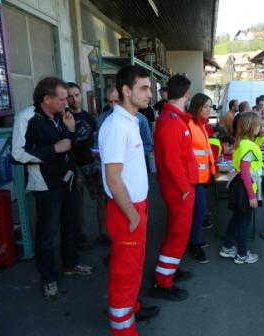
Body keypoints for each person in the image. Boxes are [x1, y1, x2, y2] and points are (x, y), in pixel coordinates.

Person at [11, 77, 93, 300]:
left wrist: (71, 129)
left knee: (71, 224)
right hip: (46, 186)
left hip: (68, 180)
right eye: (62, 98)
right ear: (46, 99)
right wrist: (53, 149)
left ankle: (71, 263)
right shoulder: (26, 118)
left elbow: (71, 144)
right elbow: (17, 155)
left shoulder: (61, 115)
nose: (67, 102)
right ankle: (48, 278)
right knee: (47, 233)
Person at [99, 66, 159, 335]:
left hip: (137, 207)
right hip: (126, 211)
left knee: (134, 266)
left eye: (150, 88)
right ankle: (123, 329)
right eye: (144, 88)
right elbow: (113, 179)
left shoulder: (131, 121)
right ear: (126, 91)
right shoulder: (115, 126)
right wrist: (133, 215)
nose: (150, 94)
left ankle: (131, 307)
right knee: (125, 272)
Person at [151, 74, 199, 301]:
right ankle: (163, 282)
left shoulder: (173, 118)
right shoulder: (172, 121)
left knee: (175, 232)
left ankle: (169, 270)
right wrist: (185, 188)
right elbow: (172, 161)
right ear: (186, 94)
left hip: (179, 187)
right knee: (178, 234)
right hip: (179, 189)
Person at [66, 82, 107, 245]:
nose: (74, 99)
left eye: (76, 95)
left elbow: (96, 139)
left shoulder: (89, 117)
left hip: (91, 164)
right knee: (77, 202)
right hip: (74, 166)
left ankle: (103, 232)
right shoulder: (64, 118)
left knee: (101, 199)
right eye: (70, 96)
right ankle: (82, 233)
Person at [219, 112, 262, 264]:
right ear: (252, 127)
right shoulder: (248, 145)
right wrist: (252, 196)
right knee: (244, 222)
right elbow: (245, 172)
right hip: (245, 188)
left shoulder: (240, 143)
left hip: (239, 186)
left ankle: (227, 247)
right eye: (258, 124)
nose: (259, 127)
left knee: (237, 219)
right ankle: (242, 254)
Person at [187, 93, 216, 264]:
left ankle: (193, 241)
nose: (208, 110)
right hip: (193, 178)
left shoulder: (200, 125)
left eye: (209, 106)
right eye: (205, 106)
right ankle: (194, 244)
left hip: (200, 177)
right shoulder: (190, 125)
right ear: (197, 107)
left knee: (199, 211)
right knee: (199, 211)